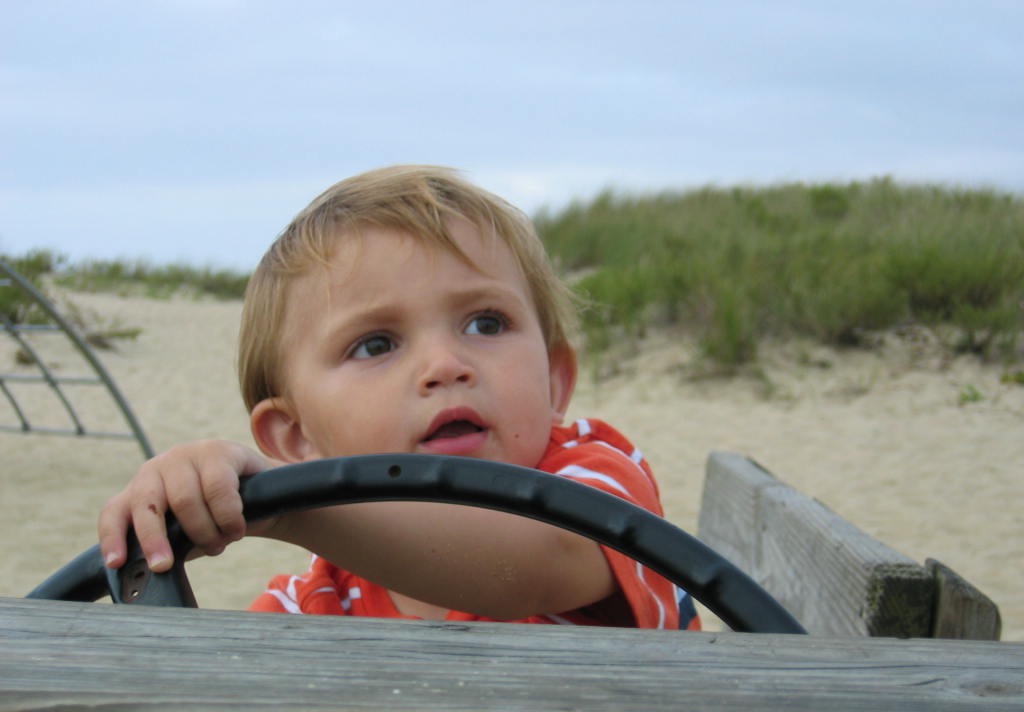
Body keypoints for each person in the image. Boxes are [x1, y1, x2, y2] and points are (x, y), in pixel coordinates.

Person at [98, 165, 700, 630]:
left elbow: (541, 563)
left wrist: (286, 510)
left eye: (486, 324)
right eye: (376, 344)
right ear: (295, 438)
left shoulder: (598, 480)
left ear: (555, 382)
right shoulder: (312, 606)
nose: (445, 366)